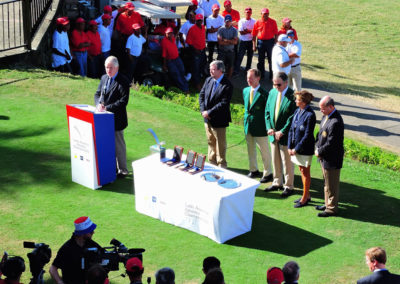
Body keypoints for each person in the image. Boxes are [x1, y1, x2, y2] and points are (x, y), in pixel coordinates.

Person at [94, 56, 130, 177]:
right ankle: (112, 168)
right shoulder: (104, 78)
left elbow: (124, 100)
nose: (108, 70)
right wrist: (98, 104)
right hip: (103, 119)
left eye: (110, 68)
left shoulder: (123, 80)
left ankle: (123, 170)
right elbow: (98, 94)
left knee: (119, 145)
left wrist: (107, 108)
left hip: (117, 119)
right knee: (108, 144)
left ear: (117, 67)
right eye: (106, 67)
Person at [265, 72, 296, 197]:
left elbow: (292, 117)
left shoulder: (293, 95)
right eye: (274, 84)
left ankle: (289, 186)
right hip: (273, 134)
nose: (276, 87)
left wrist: (282, 131)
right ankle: (277, 182)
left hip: (285, 136)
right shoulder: (272, 93)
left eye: (278, 84)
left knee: (287, 162)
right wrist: (269, 128)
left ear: (286, 83)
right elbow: (267, 111)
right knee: (275, 159)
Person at [199, 60, 233, 168]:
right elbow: (202, 96)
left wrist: (209, 112)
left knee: (220, 143)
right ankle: (212, 162)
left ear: (220, 70)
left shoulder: (227, 85)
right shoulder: (208, 80)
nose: (210, 71)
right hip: (207, 119)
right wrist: (203, 111)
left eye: (213, 69)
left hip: (219, 120)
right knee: (210, 141)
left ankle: (221, 164)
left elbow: (223, 103)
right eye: (210, 69)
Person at [49, 216, 102, 284]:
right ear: (83, 233)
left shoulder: (93, 245)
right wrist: (60, 282)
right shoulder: (66, 249)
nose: (93, 232)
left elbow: (104, 255)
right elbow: (53, 269)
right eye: (91, 232)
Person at [315, 95, 344, 217]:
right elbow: (320, 134)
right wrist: (317, 147)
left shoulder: (336, 122)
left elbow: (332, 143)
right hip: (324, 157)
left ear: (331, 107)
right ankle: (327, 203)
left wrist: (319, 151)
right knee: (326, 182)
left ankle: (331, 208)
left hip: (332, 159)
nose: (321, 111)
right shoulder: (326, 116)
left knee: (331, 184)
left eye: (323, 108)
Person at [243, 68, 272, 183]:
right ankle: (253, 170)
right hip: (248, 126)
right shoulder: (245, 91)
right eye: (247, 77)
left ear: (258, 78)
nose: (248, 80)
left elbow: (267, 112)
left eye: (251, 78)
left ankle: (267, 173)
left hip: (260, 128)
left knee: (264, 151)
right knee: (250, 150)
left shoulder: (265, 94)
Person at [288, 91, 316, 207]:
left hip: (305, 149)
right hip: (295, 148)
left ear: (303, 102)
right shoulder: (297, 111)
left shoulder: (310, 114)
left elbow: (307, 135)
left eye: (297, 99)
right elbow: (291, 129)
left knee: (305, 173)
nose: (295, 101)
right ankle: (307, 194)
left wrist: (297, 148)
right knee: (301, 170)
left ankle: (305, 198)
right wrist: (290, 146)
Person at [161, 27, 190, 92]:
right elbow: (164, 54)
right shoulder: (164, 41)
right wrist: (164, 65)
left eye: (171, 33)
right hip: (170, 61)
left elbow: (177, 34)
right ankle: (184, 89)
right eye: (168, 33)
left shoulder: (173, 38)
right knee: (176, 74)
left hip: (177, 58)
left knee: (182, 71)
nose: (170, 35)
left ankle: (186, 87)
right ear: (165, 34)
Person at [252, 8, 278, 79]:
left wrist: (275, 44)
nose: (265, 16)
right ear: (261, 14)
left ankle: (272, 76)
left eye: (266, 14)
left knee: (271, 59)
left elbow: (276, 34)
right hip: (261, 42)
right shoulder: (257, 22)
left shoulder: (273, 22)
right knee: (261, 59)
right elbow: (254, 34)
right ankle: (261, 75)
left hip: (270, 42)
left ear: (268, 14)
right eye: (264, 14)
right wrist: (254, 45)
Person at [186, 13, 207, 91]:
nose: (199, 22)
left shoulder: (203, 28)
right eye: (198, 20)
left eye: (200, 20)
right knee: (196, 69)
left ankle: (198, 82)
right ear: (196, 20)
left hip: (202, 51)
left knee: (202, 67)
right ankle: (197, 84)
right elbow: (188, 41)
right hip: (196, 52)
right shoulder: (192, 29)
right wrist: (195, 50)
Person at [234, 7, 256, 74]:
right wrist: (251, 31)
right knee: (240, 56)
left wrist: (247, 30)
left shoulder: (254, 21)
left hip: (250, 41)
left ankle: (247, 69)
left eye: (249, 13)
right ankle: (236, 70)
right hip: (242, 41)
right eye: (247, 13)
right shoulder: (241, 21)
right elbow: (241, 32)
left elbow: (255, 32)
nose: (248, 14)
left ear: (251, 13)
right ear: (244, 13)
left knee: (250, 56)